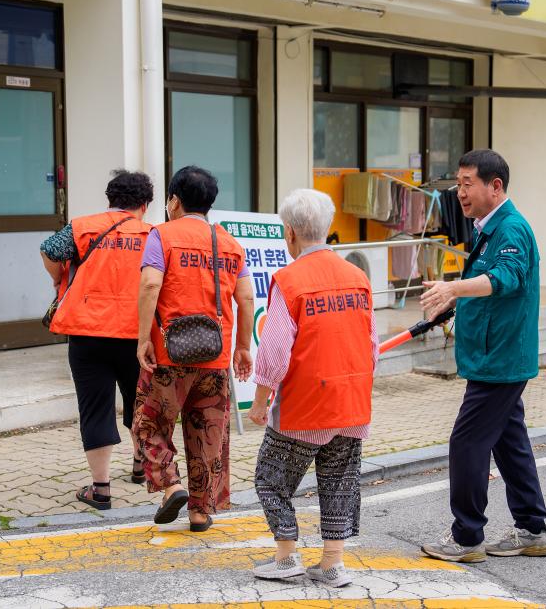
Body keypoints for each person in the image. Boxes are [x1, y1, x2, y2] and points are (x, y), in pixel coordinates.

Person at [419, 149, 546, 563]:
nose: (460, 193)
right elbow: (488, 283)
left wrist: (453, 290)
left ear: (495, 186)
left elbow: (505, 279)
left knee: (468, 440)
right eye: (457, 185)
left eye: (467, 184)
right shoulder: (487, 228)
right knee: (510, 443)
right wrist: (452, 302)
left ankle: (466, 536)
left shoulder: (511, 229)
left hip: (501, 359)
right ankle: (531, 529)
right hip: (496, 355)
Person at [248, 189, 377, 588]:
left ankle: (286, 556)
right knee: (339, 480)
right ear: (327, 229)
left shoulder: (289, 281)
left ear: (289, 233)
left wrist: (260, 401)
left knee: (270, 478)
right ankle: (333, 564)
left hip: (305, 406)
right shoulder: (358, 278)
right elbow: (371, 348)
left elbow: (274, 350)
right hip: (351, 403)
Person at [135, 165, 253, 532]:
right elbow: (246, 298)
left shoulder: (162, 235)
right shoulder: (231, 244)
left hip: (169, 354)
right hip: (215, 355)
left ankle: (171, 484)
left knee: (147, 422)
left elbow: (151, 285)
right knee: (208, 433)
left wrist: (142, 339)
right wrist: (243, 348)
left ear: (174, 200)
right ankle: (201, 512)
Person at [39, 170, 154, 510]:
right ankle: (139, 466)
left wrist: (60, 279)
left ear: (110, 201)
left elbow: (48, 250)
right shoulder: (154, 235)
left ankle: (101, 488)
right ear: (145, 205)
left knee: (94, 407)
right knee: (140, 401)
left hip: (87, 331)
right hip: (138, 335)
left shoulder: (83, 226)